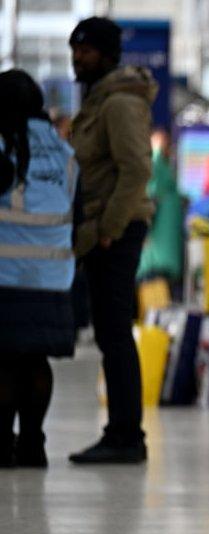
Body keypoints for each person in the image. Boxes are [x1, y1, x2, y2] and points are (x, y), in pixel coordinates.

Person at [68, 16, 158, 464]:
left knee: (115, 332)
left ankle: (126, 435)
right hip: (105, 230)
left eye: (84, 50)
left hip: (114, 231)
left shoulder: (119, 102)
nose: (76, 58)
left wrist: (109, 230)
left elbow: (137, 169)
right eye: (74, 49)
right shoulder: (101, 99)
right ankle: (122, 431)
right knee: (110, 331)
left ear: (104, 53)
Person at [0, 70, 77, 468]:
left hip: (6, 273)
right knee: (35, 360)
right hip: (52, 276)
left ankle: (3, 444)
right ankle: (33, 443)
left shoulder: (2, 142)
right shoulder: (62, 151)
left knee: (5, 361)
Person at [137, 127, 185, 285]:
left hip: (164, 242)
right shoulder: (157, 164)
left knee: (160, 287)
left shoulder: (162, 166)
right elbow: (150, 199)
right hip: (159, 246)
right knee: (156, 287)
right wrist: (145, 231)